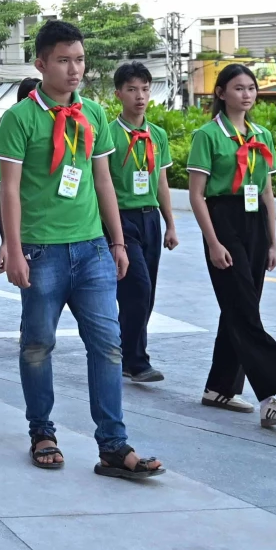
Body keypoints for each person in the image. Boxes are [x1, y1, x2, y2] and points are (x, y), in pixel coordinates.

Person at [0, 20, 163, 480]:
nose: (74, 69)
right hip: (40, 251)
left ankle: (113, 446)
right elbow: (8, 190)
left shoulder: (92, 115)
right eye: (64, 60)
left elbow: (102, 179)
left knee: (108, 347)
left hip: (92, 251)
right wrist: (11, 249)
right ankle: (42, 432)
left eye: (80, 60)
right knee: (37, 345)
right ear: (41, 63)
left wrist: (117, 241)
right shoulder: (20, 118)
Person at [187, 63, 276, 428]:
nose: (247, 94)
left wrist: (272, 242)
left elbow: (266, 191)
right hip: (224, 221)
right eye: (238, 88)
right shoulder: (207, 135)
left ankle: (219, 388)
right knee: (246, 312)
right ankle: (270, 398)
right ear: (221, 93)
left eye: (251, 88)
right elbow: (196, 195)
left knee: (238, 309)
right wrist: (213, 242)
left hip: (254, 225)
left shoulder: (262, 135)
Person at [107, 61, 179, 383]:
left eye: (145, 89)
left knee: (146, 294)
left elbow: (161, 181)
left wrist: (171, 224)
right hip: (121, 218)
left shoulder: (157, 135)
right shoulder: (108, 133)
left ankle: (124, 352)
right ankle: (136, 360)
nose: (140, 96)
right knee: (137, 287)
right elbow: (101, 181)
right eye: (133, 89)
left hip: (151, 219)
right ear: (119, 93)